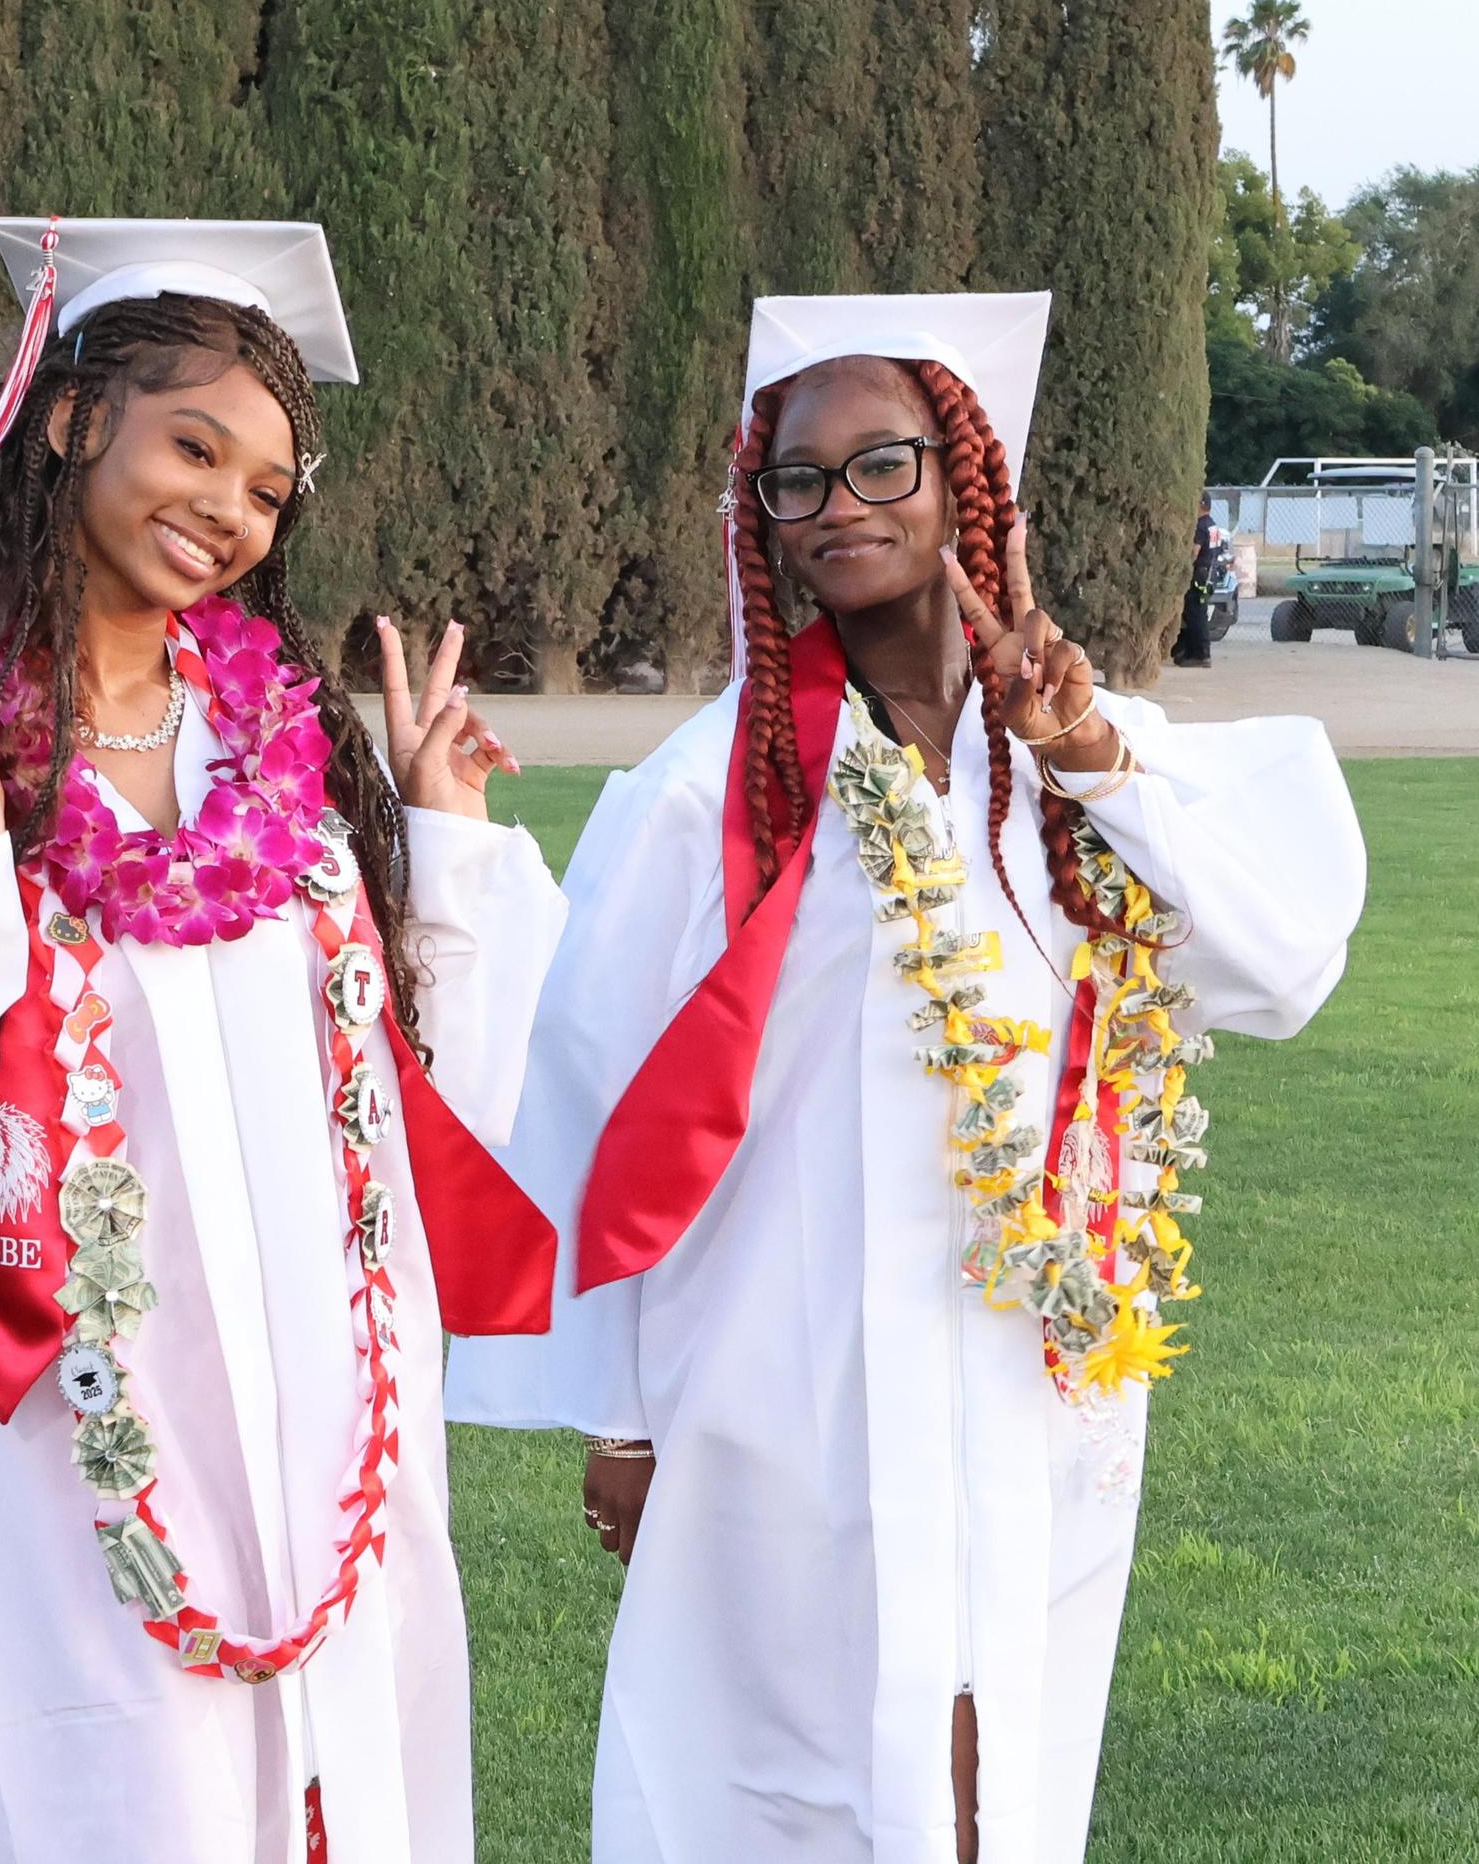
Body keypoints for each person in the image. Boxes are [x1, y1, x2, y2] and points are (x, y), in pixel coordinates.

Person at [0, 217, 567, 1864]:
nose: (230, 509)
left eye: (268, 488)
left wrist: (441, 840)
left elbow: (406, 1111)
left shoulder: (294, 761)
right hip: (60, 1434)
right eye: (195, 447)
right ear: (74, 417)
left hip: (322, 1405)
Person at [446, 294, 1365, 1864]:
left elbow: (1279, 967)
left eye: (883, 464)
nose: (839, 508)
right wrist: (619, 1416)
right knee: (781, 1772)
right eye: (797, 481)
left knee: (1005, 1762)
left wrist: (1088, 755)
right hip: (783, 1361)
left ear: (965, 481)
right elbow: (592, 1093)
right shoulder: (710, 793)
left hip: (1032, 1358)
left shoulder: (1078, 754)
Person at [1173, 492, 1215, 667]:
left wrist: (1183, 566)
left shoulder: (1200, 525)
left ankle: (1201, 655)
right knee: (1198, 612)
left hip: (1198, 573)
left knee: (1195, 614)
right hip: (1208, 572)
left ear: (1200, 505)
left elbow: (1194, 551)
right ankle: (1190, 652)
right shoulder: (1212, 525)